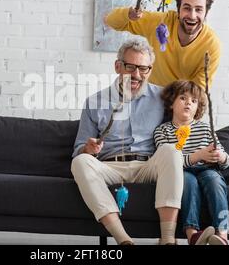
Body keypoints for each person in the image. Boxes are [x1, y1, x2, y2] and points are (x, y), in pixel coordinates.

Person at [71, 39, 183, 245]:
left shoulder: (163, 97)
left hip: (147, 165)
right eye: (130, 67)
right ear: (117, 66)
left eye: (143, 68)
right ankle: (123, 240)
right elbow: (78, 150)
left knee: (172, 151)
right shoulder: (94, 101)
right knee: (79, 162)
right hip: (110, 166)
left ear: (150, 69)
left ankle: (168, 239)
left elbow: (179, 128)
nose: (137, 75)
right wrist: (88, 149)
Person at [153, 80, 229, 245]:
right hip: (182, 172)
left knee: (214, 180)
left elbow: (225, 161)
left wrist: (221, 156)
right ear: (171, 103)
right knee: (187, 181)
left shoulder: (205, 129)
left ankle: (223, 234)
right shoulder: (162, 130)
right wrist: (198, 155)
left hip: (207, 170)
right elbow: (167, 162)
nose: (188, 102)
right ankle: (193, 235)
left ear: (198, 108)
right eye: (183, 98)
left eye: (194, 101)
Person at [104, 0, 220, 89]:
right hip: (150, 97)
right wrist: (128, 14)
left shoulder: (211, 44)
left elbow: (198, 90)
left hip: (182, 102)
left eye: (198, 9)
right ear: (178, 10)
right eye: (187, 8)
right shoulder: (160, 23)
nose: (192, 15)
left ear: (206, 13)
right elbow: (111, 21)